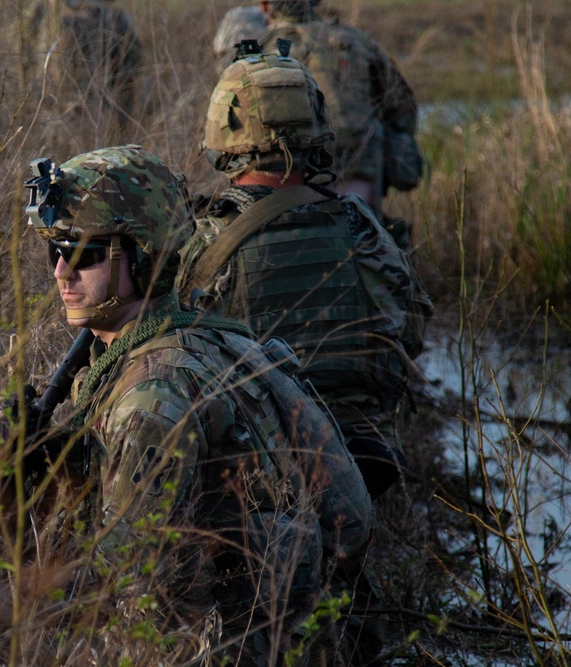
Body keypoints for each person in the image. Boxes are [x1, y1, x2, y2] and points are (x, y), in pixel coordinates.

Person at [23, 144, 372, 664]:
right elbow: (355, 520)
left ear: (141, 256)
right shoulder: (219, 341)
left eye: (82, 252)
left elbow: (142, 609)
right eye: (53, 250)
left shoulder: (150, 395)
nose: (60, 272)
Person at [180, 41, 432, 664]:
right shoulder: (362, 228)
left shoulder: (203, 246)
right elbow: (408, 338)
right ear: (315, 127)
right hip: (364, 461)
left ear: (226, 132)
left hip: (259, 491)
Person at [249, 0, 422, 230]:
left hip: (298, 171)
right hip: (364, 165)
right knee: (370, 239)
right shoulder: (359, 41)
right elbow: (403, 109)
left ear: (264, 6)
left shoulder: (260, 53)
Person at [18, 0, 142, 127]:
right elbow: (131, 67)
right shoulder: (112, 16)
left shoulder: (43, 9)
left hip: (50, 106)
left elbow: (22, 56)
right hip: (93, 108)